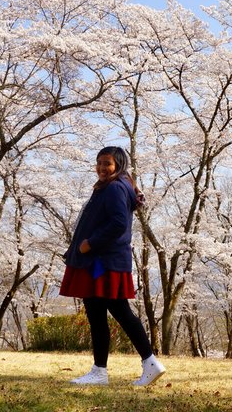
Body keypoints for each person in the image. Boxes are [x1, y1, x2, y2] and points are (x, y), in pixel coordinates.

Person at [59, 146, 165, 386]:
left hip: (101, 261)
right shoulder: (112, 187)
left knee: (115, 311)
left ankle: (145, 363)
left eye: (107, 163)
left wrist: (89, 244)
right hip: (101, 260)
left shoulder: (115, 188)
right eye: (99, 163)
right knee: (101, 312)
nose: (102, 168)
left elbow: (118, 223)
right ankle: (102, 370)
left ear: (118, 165)